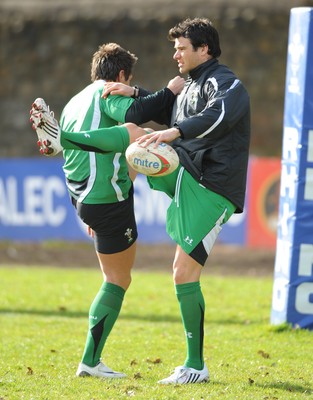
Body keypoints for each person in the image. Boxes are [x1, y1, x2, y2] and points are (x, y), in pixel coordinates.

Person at [31, 17, 250, 385]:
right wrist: (136, 96)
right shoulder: (193, 83)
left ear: (204, 49)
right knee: (142, 142)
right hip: (189, 178)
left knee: (142, 140)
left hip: (212, 186)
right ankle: (154, 363)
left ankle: (195, 366)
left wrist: (170, 129)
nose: (175, 54)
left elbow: (219, 115)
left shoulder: (226, 83)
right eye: (175, 47)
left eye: (182, 48)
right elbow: (173, 112)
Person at [30, 42, 184, 379]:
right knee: (118, 278)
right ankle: (91, 361)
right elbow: (135, 115)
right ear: (121, 75)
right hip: (107, 200)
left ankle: (92, 360)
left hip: (85, 195)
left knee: (135, 138)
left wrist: (83, 204)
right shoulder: (109, 93)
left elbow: (107, 158)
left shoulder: (74, 102)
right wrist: (170, 89)